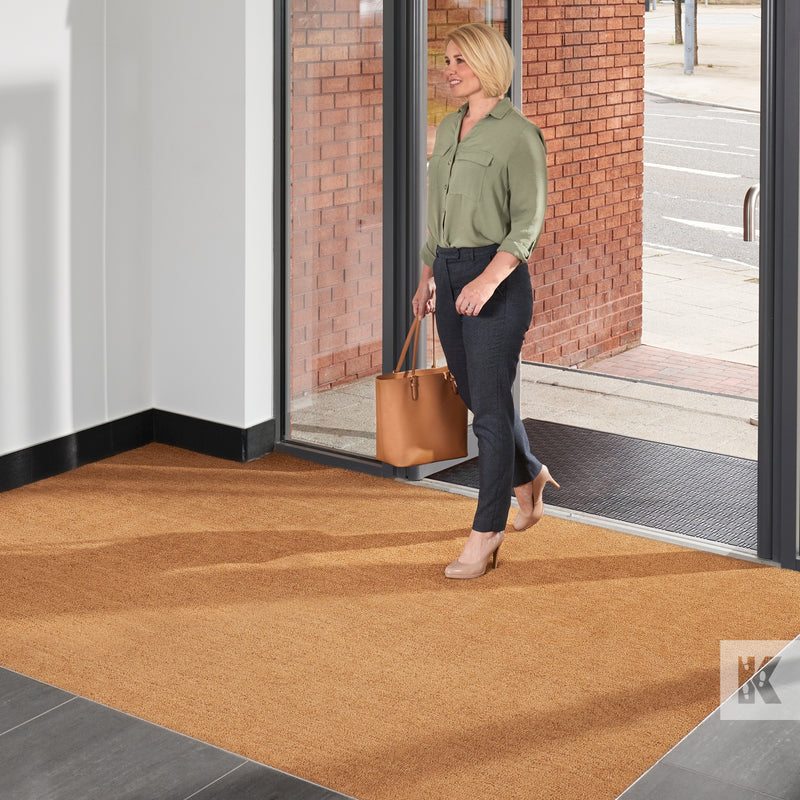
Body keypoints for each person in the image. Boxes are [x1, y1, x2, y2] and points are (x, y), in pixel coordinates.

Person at [413, 22, 559, 580]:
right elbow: (440, 212)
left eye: (460, 61)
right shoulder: (449, 127)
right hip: (448, 272)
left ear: (488, 64)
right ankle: (531, 476)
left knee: (491, 415)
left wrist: (486, 281)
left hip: (493, 278)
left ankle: (487, 531)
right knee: (478, 395)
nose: (448, 70)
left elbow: (526, 225)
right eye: (446, 60)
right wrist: (429, 274)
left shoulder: (518, 135)